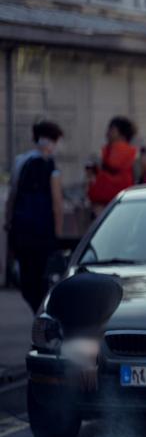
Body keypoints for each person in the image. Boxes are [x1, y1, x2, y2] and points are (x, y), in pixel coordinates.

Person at [4, 121, 65, 312]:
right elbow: (57, 202)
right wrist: (58, 232)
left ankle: (37, 310)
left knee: (27, 278)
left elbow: (12, 195)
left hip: (21, 229)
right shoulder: (51, 166)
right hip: (43, 232)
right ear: (53, 141)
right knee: (42, 277)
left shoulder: (21, 161)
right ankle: (43, 314)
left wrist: (8, 221)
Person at [86, 116, 138, 216]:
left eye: (111, 130)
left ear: (120, 133)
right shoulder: (131, 152)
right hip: (119, 201)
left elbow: (113, 165)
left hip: (109, 202)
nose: (107, 134)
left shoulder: (118, 150)